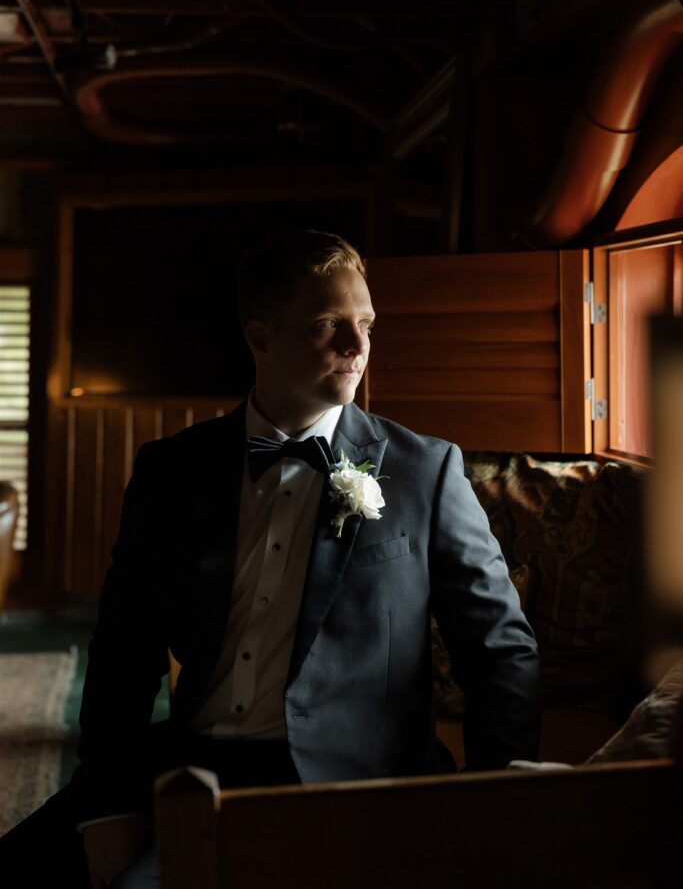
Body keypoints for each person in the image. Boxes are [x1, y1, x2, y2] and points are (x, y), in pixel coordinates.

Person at [0, 229, 539, 887]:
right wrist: (109, 806)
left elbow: (499, 649)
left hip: (353, 785)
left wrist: (496, 808)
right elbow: (123, 651)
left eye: (366, 324)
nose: (358, 346)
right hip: (189, 772)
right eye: (327, 325)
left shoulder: (426, 471)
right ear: (260, 336)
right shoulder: (172, 471)